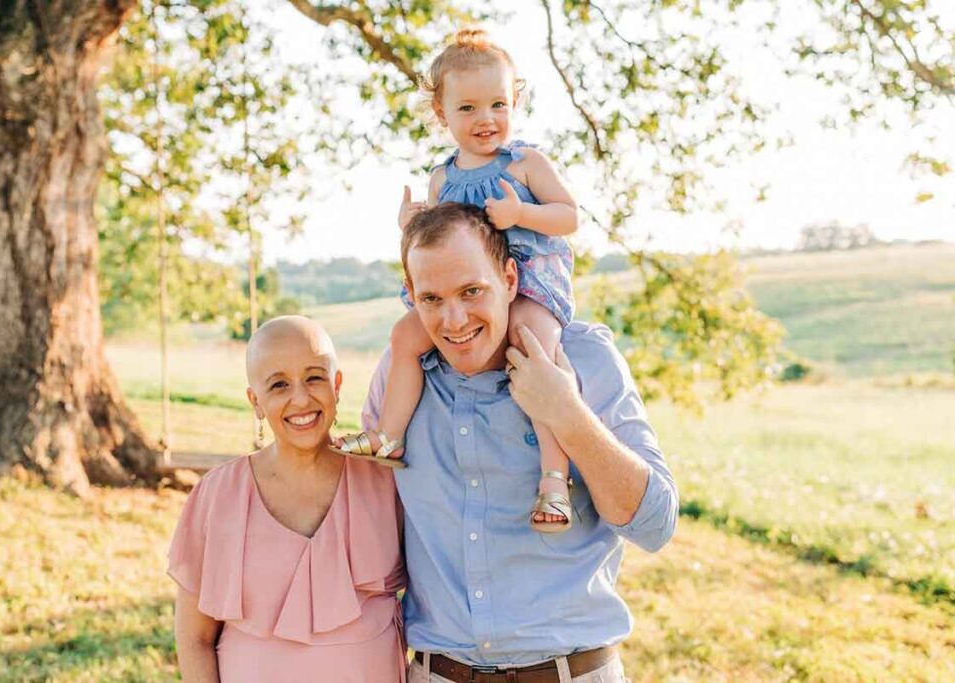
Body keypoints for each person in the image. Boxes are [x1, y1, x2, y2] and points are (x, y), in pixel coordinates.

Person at [363, 204, 678, 682]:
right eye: (431, 299)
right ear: (410, 294)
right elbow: (365, 513)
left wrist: (566, 412)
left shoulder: (585, 357)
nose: (453, 320)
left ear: (510, 279)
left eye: (472, 291)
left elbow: (654, 526)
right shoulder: (400, 375)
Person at [336, 27, 581, 533]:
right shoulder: (442, 178)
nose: (485, 119)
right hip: (465, 295)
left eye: (497, 104)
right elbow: (439, 240)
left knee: (535, 351)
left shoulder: (527, 162)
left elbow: (569, 216)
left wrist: (521, 215)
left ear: (515, 102)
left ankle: (555, 477)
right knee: (406, 336)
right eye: (467, 108)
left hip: (530, 282)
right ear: (442, 113)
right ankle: (389, 434)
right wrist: (410, 224)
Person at [167, 316, 406, 683]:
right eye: (279, 385)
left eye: (314, 377)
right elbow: (194, 638)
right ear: (255, 401)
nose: (300, 398)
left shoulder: (385, 482)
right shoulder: (218, 496)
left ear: (337, 384)